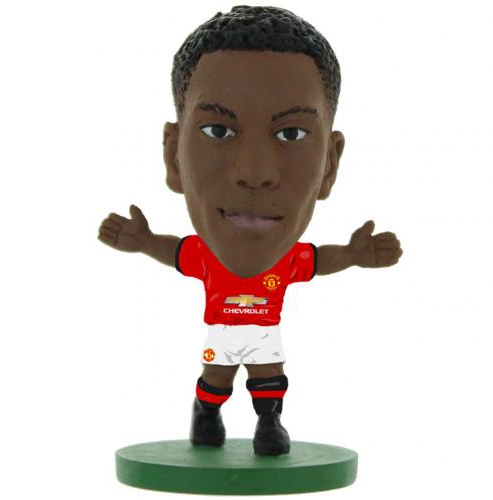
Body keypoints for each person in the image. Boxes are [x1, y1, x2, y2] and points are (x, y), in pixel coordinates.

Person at [98, 5, 403, 456]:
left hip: (262, 333)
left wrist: (354, 255)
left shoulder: (287, 260)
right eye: (217, 131)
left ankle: (269, 422)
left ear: (329, 165)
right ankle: (207, 414)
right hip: (223, 331)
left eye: (291, 135)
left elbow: (320, 260)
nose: (255, 174)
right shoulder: (206, 257)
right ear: (173, 156)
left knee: (269, 377)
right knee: (215, 378)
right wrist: (143, 242)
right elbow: (176, 252)